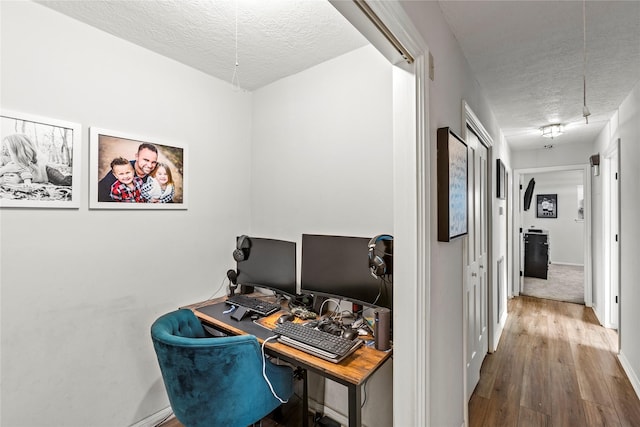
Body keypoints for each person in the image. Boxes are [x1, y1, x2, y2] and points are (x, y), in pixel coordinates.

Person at [0, 134, 72, 186]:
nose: (4, 150)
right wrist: (5, 169)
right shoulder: (5, 161)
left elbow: (27, 174)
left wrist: (19, 180)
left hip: (45, 171)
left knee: (63, 181)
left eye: (7, 149)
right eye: (4, 148)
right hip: (35, 174)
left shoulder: (22, 162)